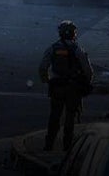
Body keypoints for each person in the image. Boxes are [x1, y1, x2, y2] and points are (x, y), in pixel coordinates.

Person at [39, 20, 93, 151]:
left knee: (54, 117)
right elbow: (88, 70)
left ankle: (49, 144)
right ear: (73, 34)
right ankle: (67, 146)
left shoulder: (53, 48)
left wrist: (47, 80)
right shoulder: (77, 49)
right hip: (73, 88)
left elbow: (43, 67)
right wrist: (87, 82)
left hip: (57, 86)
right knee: (70, 118)